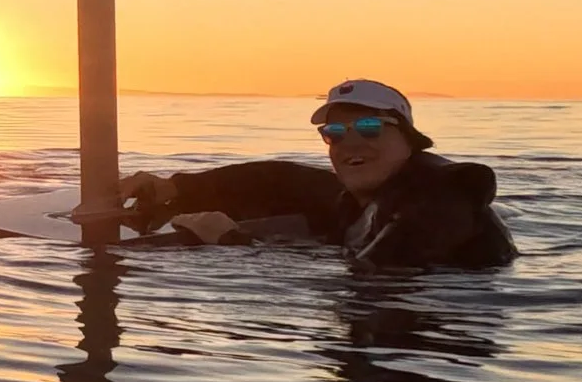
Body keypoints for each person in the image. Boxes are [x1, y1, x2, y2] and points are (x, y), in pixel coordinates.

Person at [121, 80, 515, 269]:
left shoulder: (436, 202)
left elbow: (378, 281)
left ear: (409, 138)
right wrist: (175, 186)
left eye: (370, 128)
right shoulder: (367, 198)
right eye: (336, 133)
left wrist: (229, 241)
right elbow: (280, 179)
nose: (351, 143)